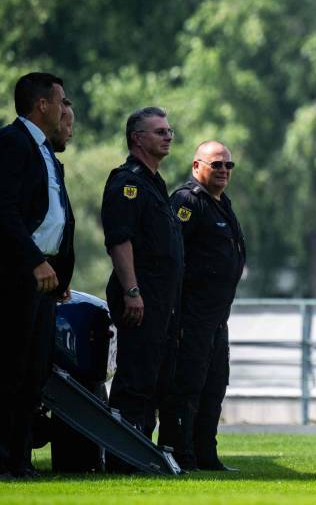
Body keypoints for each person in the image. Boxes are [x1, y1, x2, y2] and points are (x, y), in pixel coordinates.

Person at [0, 72, 75, 479]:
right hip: (17, 274)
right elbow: (5, 211)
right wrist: (34, 261)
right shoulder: (11, 143)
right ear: (41, 104)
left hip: (45, 278)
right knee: (9, 367)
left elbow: (56, 216)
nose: (65, 109)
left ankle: (19, 460)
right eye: (61, 101)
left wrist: (59, 272)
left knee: (33, 371)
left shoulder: (46, 150)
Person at [101, 107, 185, 452]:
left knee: (154, 376)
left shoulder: (152, 182)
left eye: (169, 131)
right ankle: (123, 455)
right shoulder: (128, 182)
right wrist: (131, 291)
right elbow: (120, 240)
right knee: (136, 377)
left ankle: (141, 453)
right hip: (141, 295)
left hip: (160, 299)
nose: (167, 136)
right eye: (159, 131)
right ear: (137, 138)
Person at [160, 141, 246, 472]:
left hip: (216, 317)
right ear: (197, 167)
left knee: (214, 385)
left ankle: (205, 454)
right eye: (216, 165)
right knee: (187, 385)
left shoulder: (221, 203)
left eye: (228, 166)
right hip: (191, 315)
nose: (224, 171)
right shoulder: (188, 201)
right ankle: (179, 454)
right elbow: (172, 255)